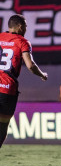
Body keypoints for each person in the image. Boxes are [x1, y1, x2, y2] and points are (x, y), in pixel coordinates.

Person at [0, 14, 48, 148]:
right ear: (20, 27)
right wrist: (42, 74)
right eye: (26, 26)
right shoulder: (22, 41)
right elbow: (30, 65)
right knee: (2, 125)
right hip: (6, 89)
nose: (26, 29)